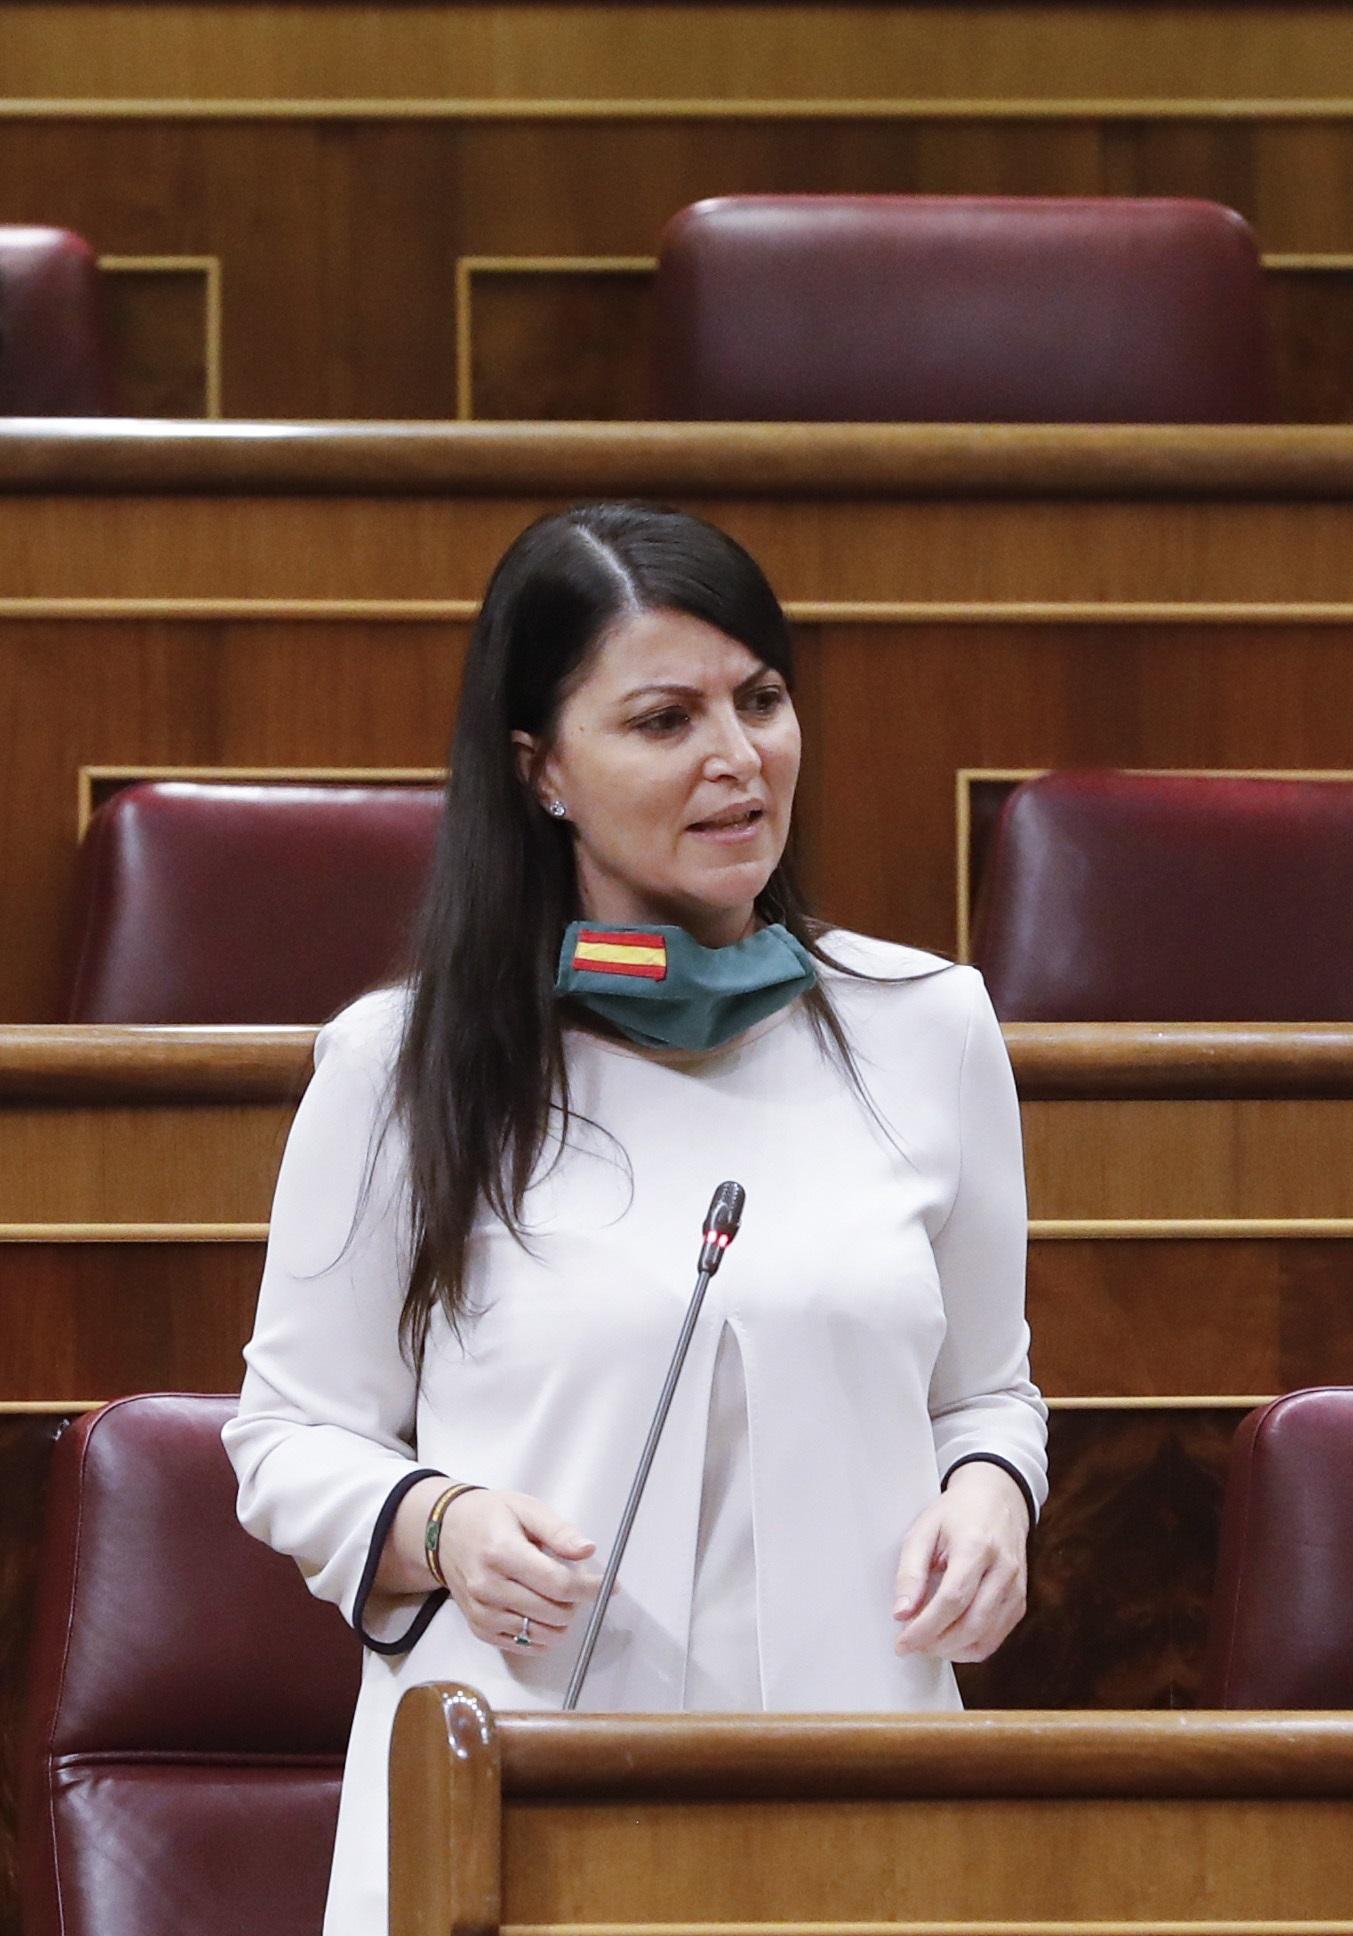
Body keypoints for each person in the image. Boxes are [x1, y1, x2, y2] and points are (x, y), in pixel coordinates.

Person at [224, 503, 1047, 1936]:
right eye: (665, 720)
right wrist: (441, 1518)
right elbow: (286, 1434)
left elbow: (986, 1393)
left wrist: (993, 1498)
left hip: (864, 1791)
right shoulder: (402, 1066)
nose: (737, 758)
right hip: (518, 1787)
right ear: (541, 771)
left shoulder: (929, 1028)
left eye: (763, 700)